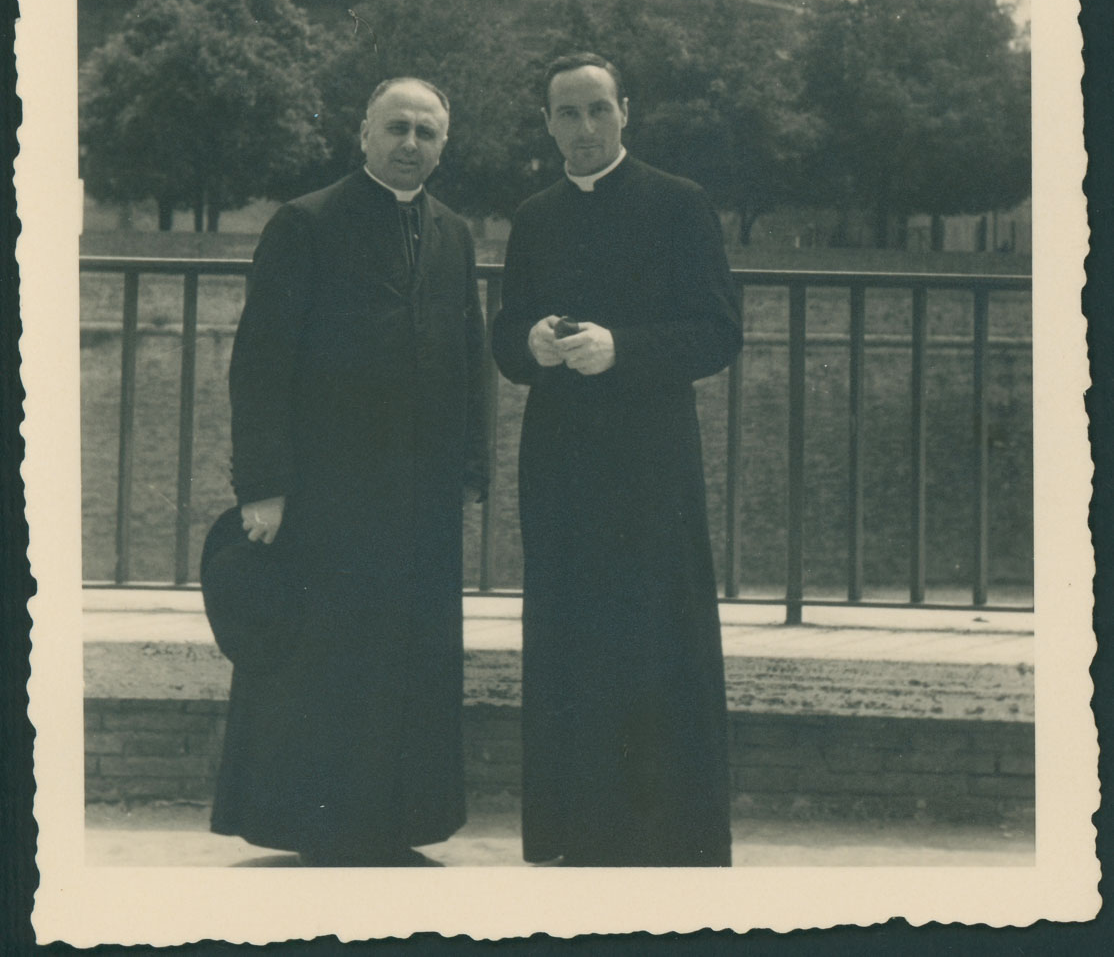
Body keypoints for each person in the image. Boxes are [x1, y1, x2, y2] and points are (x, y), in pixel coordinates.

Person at [210, 77, 488, 867]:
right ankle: (318, 828)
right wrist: (263, 486)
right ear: (363, 134)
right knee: (326, 657)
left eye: (426, 132)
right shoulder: (306, 223)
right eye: (396, 127)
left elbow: (467, 354)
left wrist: (471, 466)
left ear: (443, 146)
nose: (410, 144)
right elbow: (260, 362)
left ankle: (396, 827)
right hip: (328, 491)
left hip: (422, 492)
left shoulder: (454, 232)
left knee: (410, 656)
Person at [492, 53, 742, 867]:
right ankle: (572, 831)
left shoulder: (679, 203)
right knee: (565, 634)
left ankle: (669, 833)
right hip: (559, 459)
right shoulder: (534, 215)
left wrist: (621, 349)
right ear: (547, 124)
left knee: (656, 634)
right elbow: (506, 337)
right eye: (568, 113)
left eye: (598, 109)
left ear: (626, 111)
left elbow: (718, 332)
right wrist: (531, 343)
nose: (586, 128)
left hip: (650, 461)